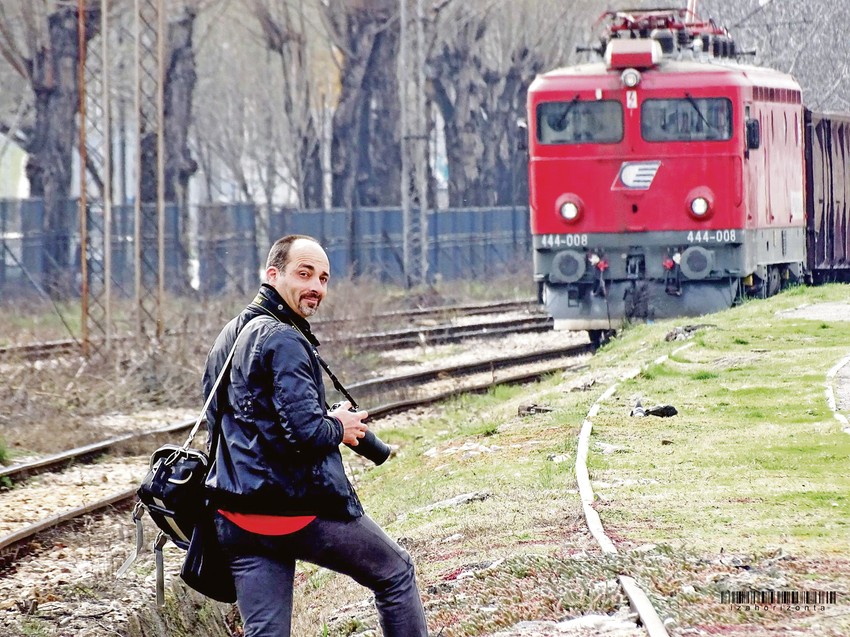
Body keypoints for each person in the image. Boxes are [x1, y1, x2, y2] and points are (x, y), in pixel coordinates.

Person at [202, 234, 429, 637]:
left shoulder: (229, 335)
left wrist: (324, 419)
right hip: (294, 511)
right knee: (396, 573)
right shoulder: (285, 338)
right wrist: (340, 426)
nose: (316, 288)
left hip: (236, 515)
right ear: (273, 275)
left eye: (323, 278)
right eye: (304, 274)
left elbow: (247, 419)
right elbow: (305, 434)